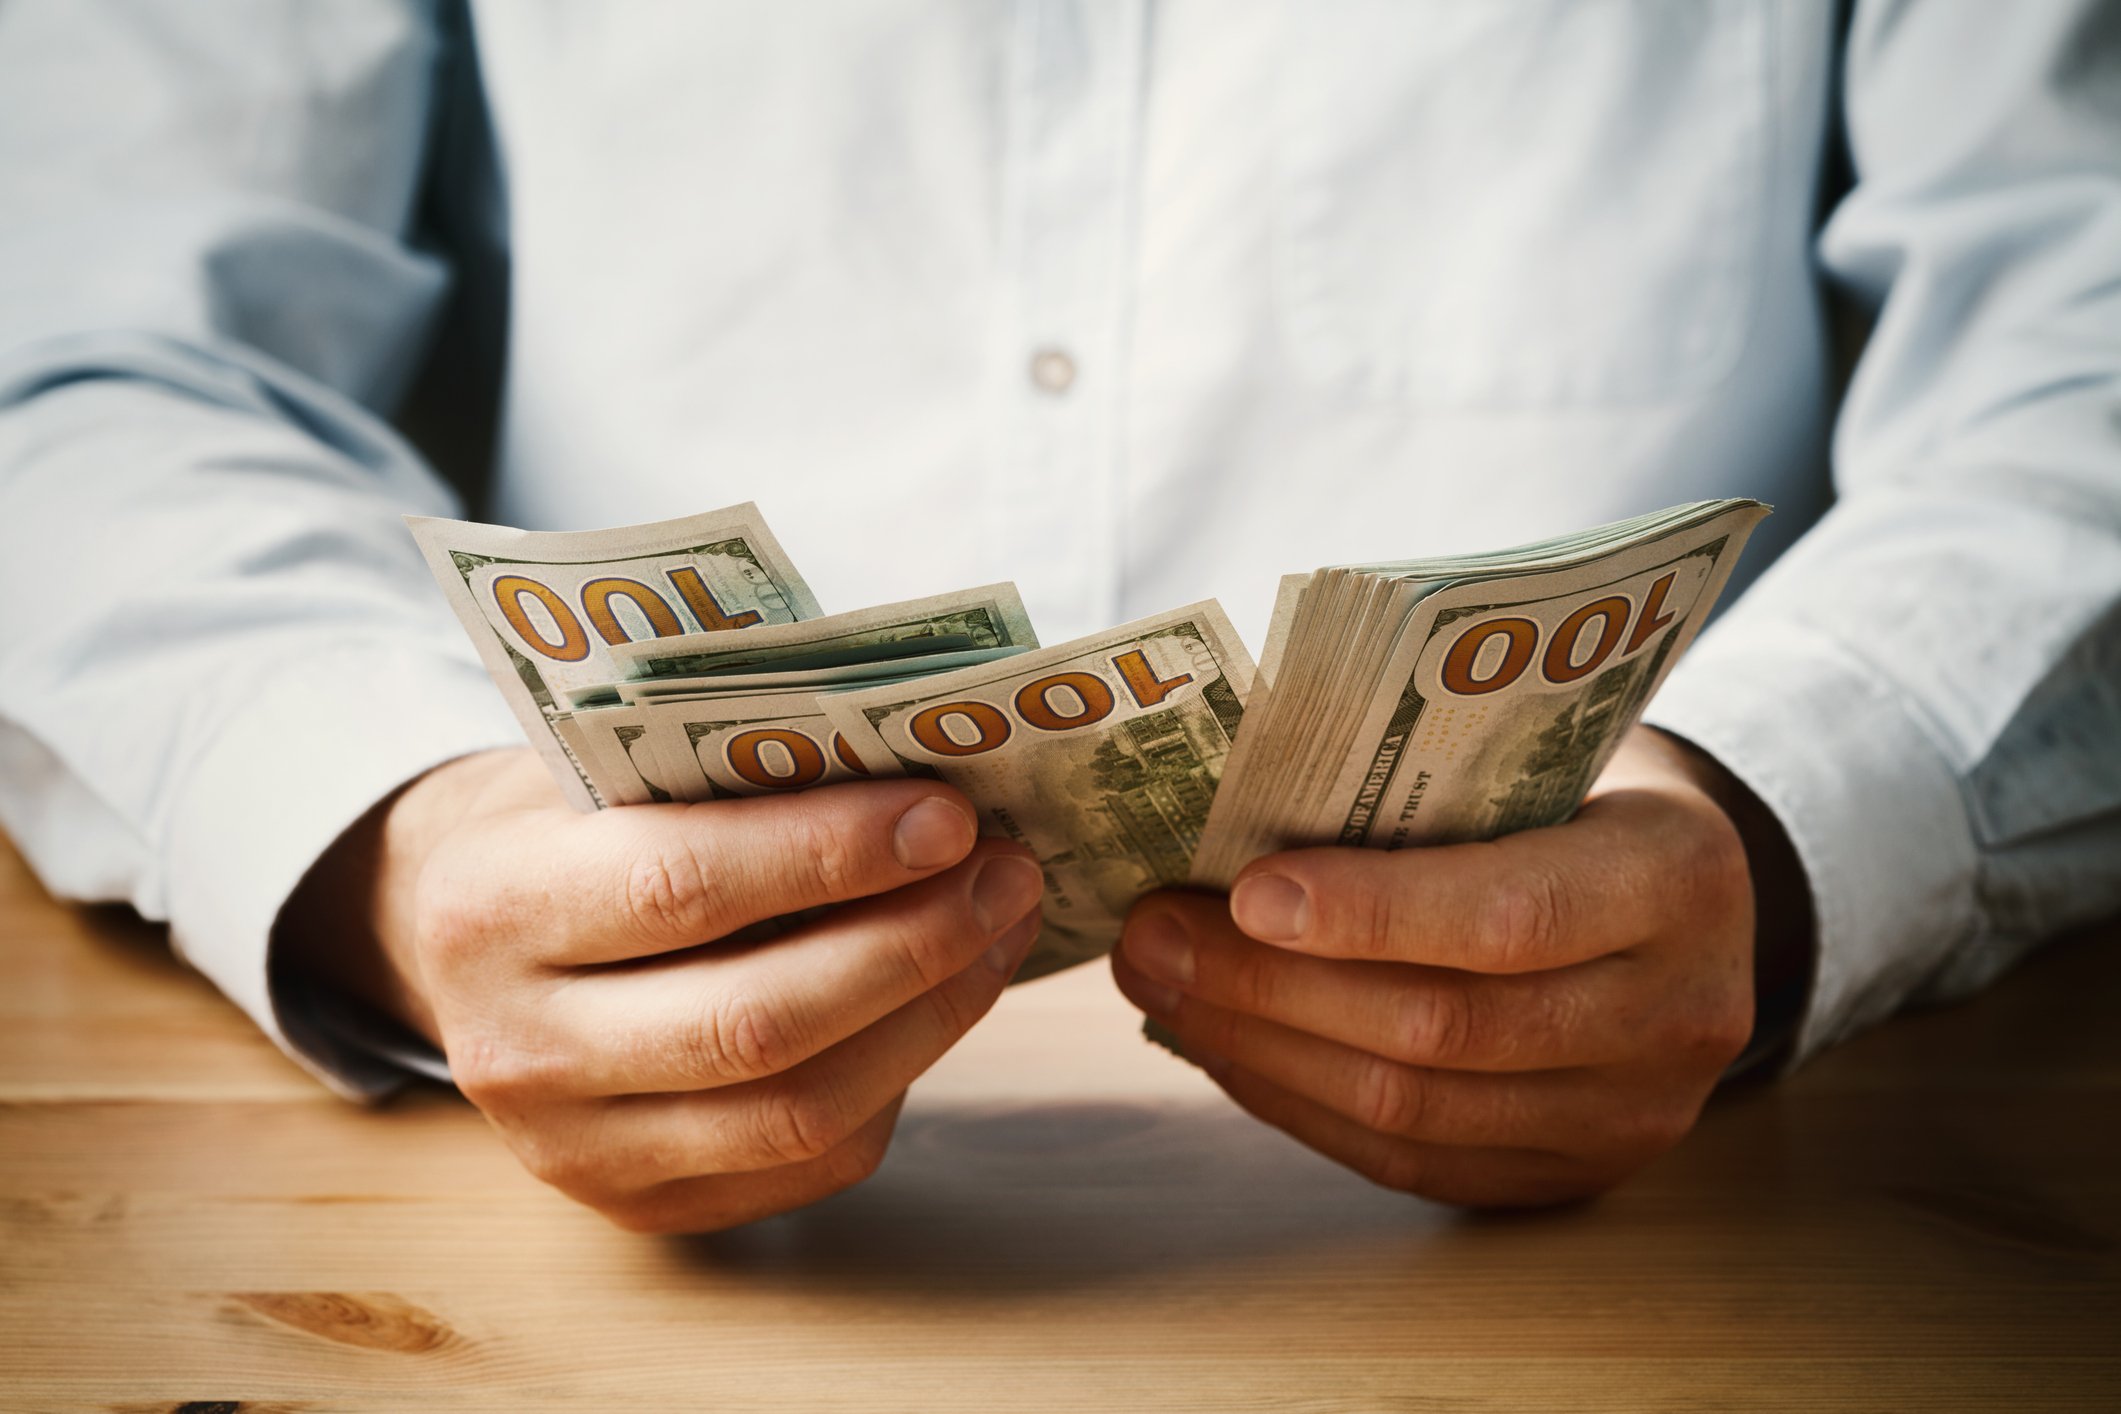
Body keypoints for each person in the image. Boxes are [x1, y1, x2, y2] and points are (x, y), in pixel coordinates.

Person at [2, 1, 2115, 1233]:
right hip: (554, 1222)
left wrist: (1784, 833)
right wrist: (387, 841)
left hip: (1723, 1202)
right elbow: (79, 347)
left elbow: (2086, 327)